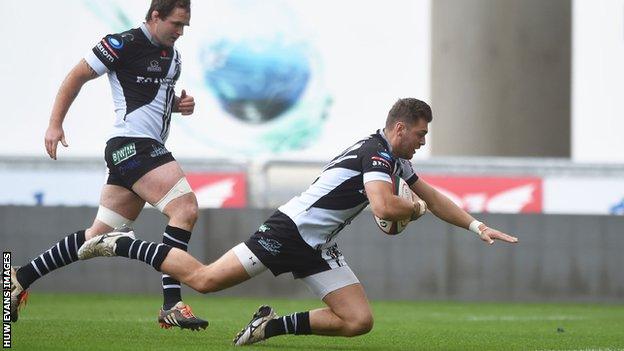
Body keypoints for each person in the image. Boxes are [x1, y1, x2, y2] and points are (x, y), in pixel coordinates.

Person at [58, 98, 517, 345]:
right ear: (400, 129)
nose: (422, 142)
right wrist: (411, 212)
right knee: (204, 280)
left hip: (316, 244)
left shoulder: (393, 160)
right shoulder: (377, 155)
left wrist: (476, 226)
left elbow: (431, 196)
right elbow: (384, 207)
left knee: (358, 321)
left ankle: (267, 327)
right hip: (289, 231)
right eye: (420, 134)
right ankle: (120, 243)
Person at [10, 0, 208, 330]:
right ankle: (172, 303)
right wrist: (54, 124)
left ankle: (19, 278)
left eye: (185, 26)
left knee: (97, 236)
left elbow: (154, 99)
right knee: (185, 209)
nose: (180, 31)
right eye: (175, 23)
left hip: (139, 151)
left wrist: (177, 105)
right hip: (133, 146)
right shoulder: (123, 43)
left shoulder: (173, 57)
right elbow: (76, 75)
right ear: (155, 16)